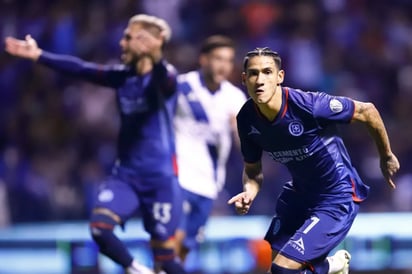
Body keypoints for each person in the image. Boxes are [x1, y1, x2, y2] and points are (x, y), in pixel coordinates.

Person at [5, 14, 187, 274]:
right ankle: (137, 269)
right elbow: (81, 68)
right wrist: (39, 55)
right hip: (126, 177)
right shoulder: (121, 76)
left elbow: (164, 77)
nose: (121, 43)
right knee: (100, 229)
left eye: (128, 37)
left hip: (161, 180)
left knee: (166, 259)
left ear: (147, 43)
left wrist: (156, 53)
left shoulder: (164, 78)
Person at [228, 47, 400, 274]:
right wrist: (249, 192)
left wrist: (385, 155)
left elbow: (367, 111)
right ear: (244, 79)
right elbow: (252, 169)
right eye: (253, 73)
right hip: (298, 196)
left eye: (267, 72)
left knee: (283, 269)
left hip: (335, 197)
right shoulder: (246, 119)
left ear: (280, 77)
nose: (260, 80)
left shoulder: (307, 105)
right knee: (274, 269)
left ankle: (331, 266)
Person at [173, 35, 246, 264]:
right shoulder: (180, 86)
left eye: (228, 60)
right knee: (172, 240)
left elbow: (245, 148)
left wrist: (238, 131)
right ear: (203, 60)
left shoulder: (235, 97)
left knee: (186, 246)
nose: (223, 65)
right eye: (218, 58)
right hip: (178, 177)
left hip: (209, 183)